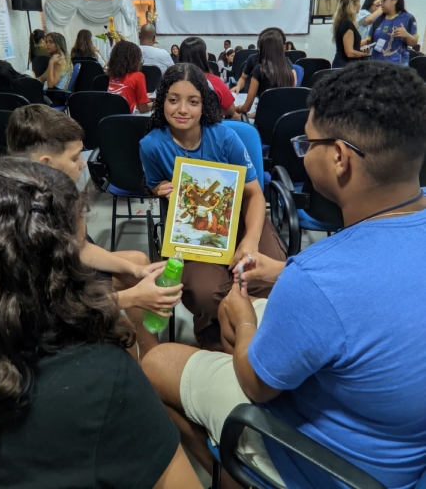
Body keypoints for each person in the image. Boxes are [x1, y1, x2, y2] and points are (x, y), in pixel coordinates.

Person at [142, 60, 426, 489]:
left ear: (339, 157)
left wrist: (243, 320)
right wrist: (284, 273)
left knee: (156, 362)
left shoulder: (316, 277)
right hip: (400, 452)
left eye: (306, 143)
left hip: (326, 465)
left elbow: (257, 386)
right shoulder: (312, 275)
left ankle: (235, 473)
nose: (303, 151)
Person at [0, 156, 203, 489]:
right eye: (80, 247)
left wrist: (134, 274)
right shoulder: (103, 377)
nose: (84, 163)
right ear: (57, 264)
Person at [6, 104, 178, 356]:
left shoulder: (59, 192)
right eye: (75, 157)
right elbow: (57, 308)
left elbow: (82, 247)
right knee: (121, 331)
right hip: (43, 314)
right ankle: (133, 363)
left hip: (70, 278)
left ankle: (152, 357)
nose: (83, 165)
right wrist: (131, 298)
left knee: (138, 264)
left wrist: (135, 270)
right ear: (46, 164)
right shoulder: (23, 224)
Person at [139, 63, 287, 351]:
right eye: (173, 100)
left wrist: (250, 240)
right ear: (162, 101)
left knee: (261, 276)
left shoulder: (225, 138)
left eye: (193, 102)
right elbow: (154, 183)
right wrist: (159, 189)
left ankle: (260, 338)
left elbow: (254, 195)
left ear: (203, 104)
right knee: (205, 291)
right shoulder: (151, 146)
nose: (182, 109)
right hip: (193, 231)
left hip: (241, 219)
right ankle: (220, 340)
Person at [235, 30, 296, 116]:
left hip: (264, 120)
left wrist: (235, 108)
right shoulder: (289, 70)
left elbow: (246, 108)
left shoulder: (259, 70)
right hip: (283, 120)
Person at [178, 36, 236, 117]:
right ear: (203, 56)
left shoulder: (173, 80)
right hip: (209, 123)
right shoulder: (214, 82)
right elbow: (231, 110)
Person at [232, 26, 294, 94]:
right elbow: (243, 78)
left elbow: (293, 82)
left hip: (273, 96)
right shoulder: (253, 58)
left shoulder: (285, 61)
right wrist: (238, 86)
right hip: (251, 94)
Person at [371, 0, 419, 66]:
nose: (381, 3)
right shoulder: (378, 19)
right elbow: (369, 40)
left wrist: (406, 35)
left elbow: (414, 43)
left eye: (384, 0)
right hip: (376, 64)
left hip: (398, 65)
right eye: (381, 0)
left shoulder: (408, 18)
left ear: (395, 0)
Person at [107, 40, 152, 113]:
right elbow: (143, 108)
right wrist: (157, 104)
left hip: (111, 116)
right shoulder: (138, 76)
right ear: (134, 59)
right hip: (128, 117)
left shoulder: (112, 76)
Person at [331, 0, 370, 68]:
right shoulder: (347, 24)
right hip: (345, 66)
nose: (360, 5)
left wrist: (368, 41)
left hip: (341, 63)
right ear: (353, 4)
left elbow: (353, 43)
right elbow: (350, 53)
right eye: (359, 1)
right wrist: (365, 55)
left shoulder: (342, 21)